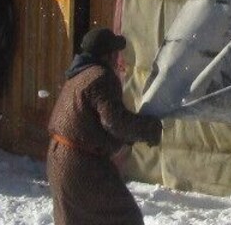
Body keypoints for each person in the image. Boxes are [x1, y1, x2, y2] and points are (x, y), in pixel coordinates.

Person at [45, 28, 163, 225]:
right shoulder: (101, 77)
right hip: (80, 163)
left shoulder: (79, 74)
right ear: (108, 55)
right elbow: (114, 122)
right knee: (125, 217)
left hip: (59, 158)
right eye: (116, 53)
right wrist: (147, 129)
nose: (119, 59)